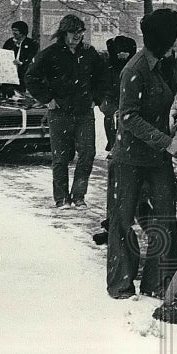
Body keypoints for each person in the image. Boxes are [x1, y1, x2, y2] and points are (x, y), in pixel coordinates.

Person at [107, 8, 177, 299]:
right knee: (123, 219)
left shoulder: (168, 63)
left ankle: (156, 282)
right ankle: (121, 283)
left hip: (157, 158)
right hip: (130, 158)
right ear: (165, 35)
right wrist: (166, 142)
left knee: (165, 218)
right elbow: (127, 118)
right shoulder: (135, 69)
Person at [25, 14, 108, 209]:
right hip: (59, 112)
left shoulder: (89, 53)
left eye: (80, 33)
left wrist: (95, 98)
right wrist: (47, 99)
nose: (76, 37)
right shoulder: (50, 53)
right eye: (72, 33)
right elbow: (31, 77)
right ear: (63, 33)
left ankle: (79, 196)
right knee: (61, 157)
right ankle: (61, 198)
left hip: (83, 112)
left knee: (87, 154)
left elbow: (103, 76)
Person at [100, 35, 137, 151]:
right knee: (109, 116)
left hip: (127, 97)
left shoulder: (132, 64)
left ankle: (125, 143)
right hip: (110, 97)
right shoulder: (108, 64)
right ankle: (112, 143)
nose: (122, 56)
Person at [2, 20, 39, 96]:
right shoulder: (9, 42)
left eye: (16, 30)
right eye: (13, 30)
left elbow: (33, 58)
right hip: (10, 73)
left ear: (22, 31)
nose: (14, 32)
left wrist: (22, 63)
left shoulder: (32, 43)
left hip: (23, 73)